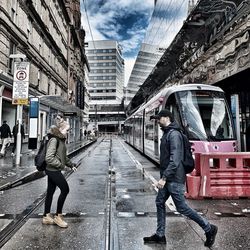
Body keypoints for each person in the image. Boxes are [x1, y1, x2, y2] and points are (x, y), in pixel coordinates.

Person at [143, 109, 218, 247]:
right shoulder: (167, 133)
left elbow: (175, 160)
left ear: (166, 118)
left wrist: (164, 177)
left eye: (159, 119)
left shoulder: (174, 135)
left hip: (174, 179)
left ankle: (209, 228)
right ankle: (160, 235)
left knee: (182, 208)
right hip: (168, 178)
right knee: (160, 202)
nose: (157, 121)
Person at [42, 115, 77, 228]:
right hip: (52, 170)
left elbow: (63, 156)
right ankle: (58, 217)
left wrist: (71, 165)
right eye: (67, 130)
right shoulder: (54, 140)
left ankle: (46, 216)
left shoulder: (61, 140)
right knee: (65, 189)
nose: (68, 132)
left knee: (50, 192)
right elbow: (49, 158)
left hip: (53, 169)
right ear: (61, 130)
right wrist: (61, 165)